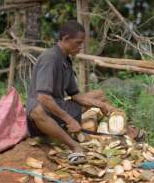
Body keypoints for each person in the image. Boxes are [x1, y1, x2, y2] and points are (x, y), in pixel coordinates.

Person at [26, 20, 116, 164]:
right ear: (66, 39)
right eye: (78, 43)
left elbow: (75, 95)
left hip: (58, 106)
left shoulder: (66, 61)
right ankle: (74, 146)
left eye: (82, 44)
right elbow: (43, 98)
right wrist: (69, 119)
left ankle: (118, 130)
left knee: (99, 95)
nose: (80, 47)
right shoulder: (50, 58)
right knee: (37, 111)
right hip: (43, 110)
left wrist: (101, 105)